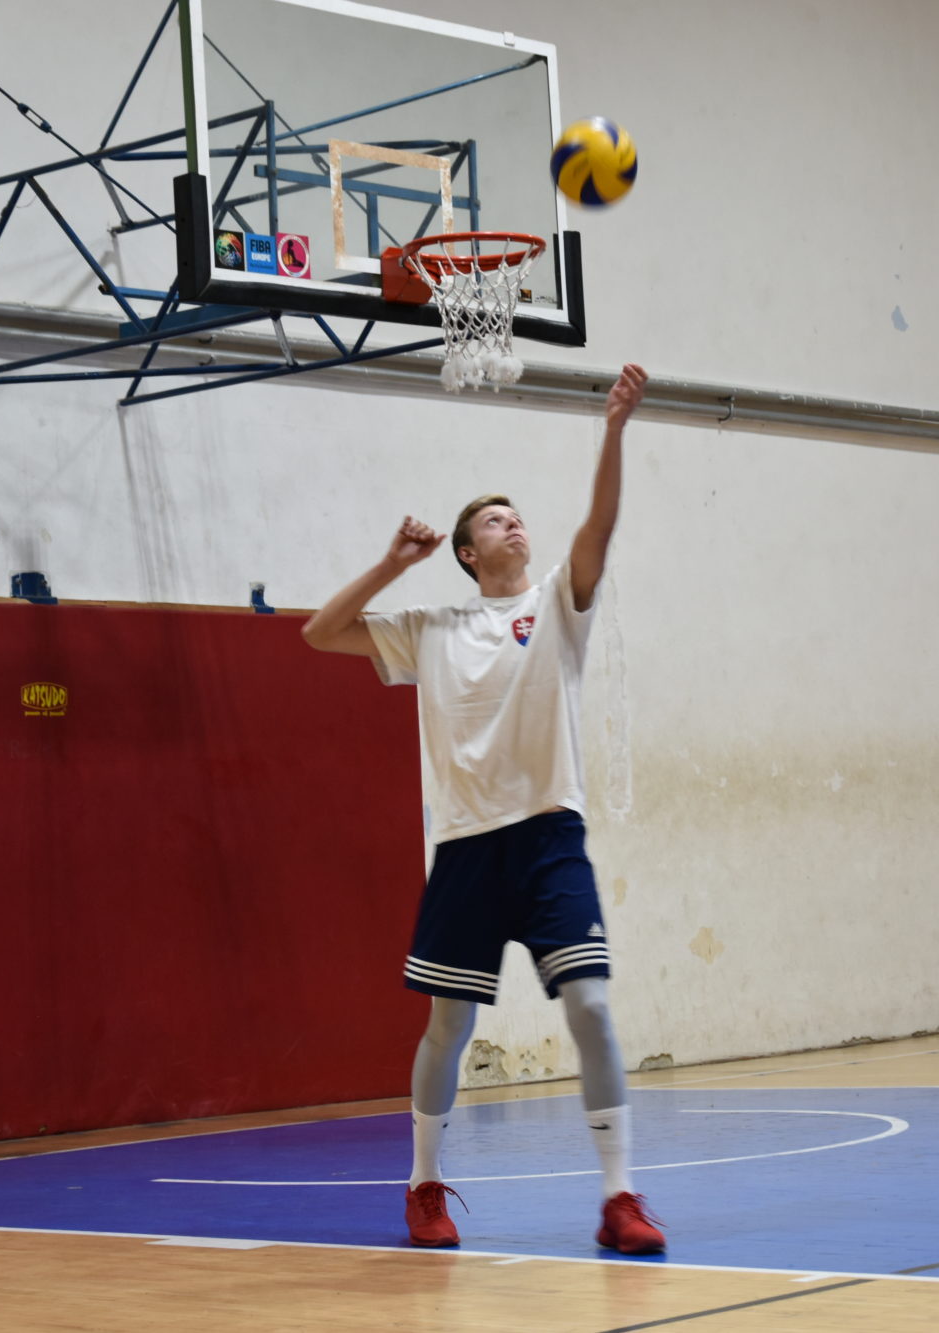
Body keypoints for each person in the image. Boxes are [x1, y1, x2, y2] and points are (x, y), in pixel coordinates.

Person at [301, 364, 662, 1254]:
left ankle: (619, 1196)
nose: (515, 524)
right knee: (448, 1026)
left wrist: (615, 428)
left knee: (591, 1006)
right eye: (496, 520)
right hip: (465, 848)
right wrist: (393, 564)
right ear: (467, 551)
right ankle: (423, 1185)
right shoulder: (431, 627)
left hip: (550, 837)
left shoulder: (557, 605)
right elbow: (319, 630)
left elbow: (599, 526)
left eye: (517, 516)